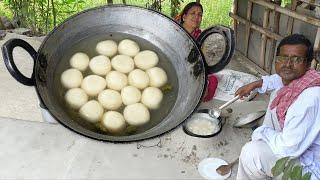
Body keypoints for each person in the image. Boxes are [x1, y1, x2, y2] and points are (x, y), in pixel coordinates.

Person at [235, 34, 320, 179]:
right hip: (297, 147)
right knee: (278, 93)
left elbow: (289, 148)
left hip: (308, 167)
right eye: (283, 58)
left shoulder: (310, 98)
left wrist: (261, 133)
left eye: (296, 59)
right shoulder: (305, 79)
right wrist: (255, 84)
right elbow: (278, 79)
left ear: (307, 64)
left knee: (251, 154)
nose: (287, 64)